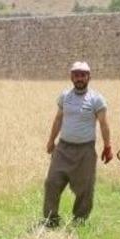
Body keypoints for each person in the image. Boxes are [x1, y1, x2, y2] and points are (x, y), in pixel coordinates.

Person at [42, 61, 113, 227]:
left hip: (85, 151)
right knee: (52, 182)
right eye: (76, 75)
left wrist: (107, 146)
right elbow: (58, 118)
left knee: (85, 188)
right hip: (63, 149)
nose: (79, 78)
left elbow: (103, 123)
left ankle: (79, 221)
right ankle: (51, 220)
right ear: (71, 77)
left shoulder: (96, 99)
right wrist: (51, 140)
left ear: (89, 77)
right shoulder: (65, 96)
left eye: (83, 75)